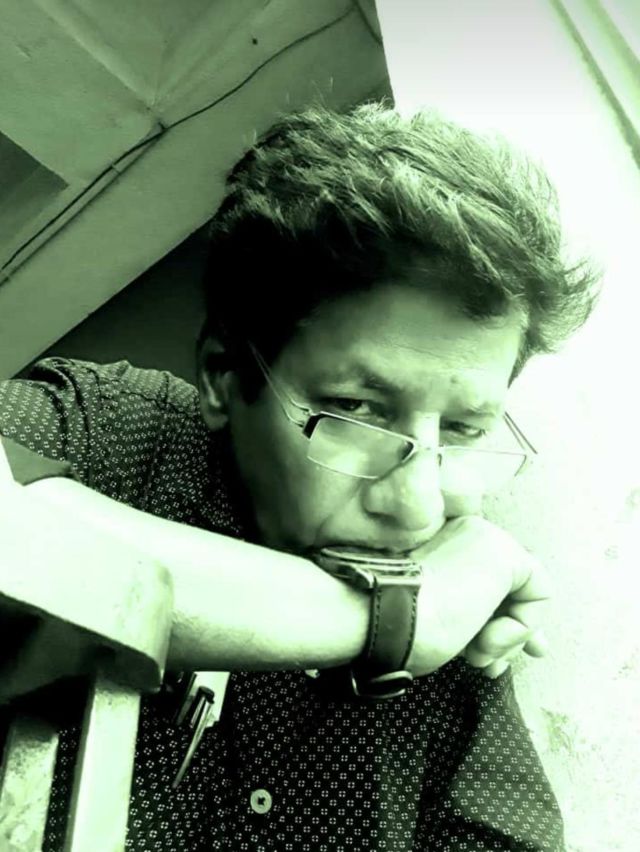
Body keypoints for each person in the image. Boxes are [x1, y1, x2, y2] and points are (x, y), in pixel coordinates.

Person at [0, 101, 599, 851]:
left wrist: (422, 617)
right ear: (223, 376)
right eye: (355, 410)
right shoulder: (104, 426)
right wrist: (391, 620)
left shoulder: (458, 604)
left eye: (463, 431)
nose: (416, 506)